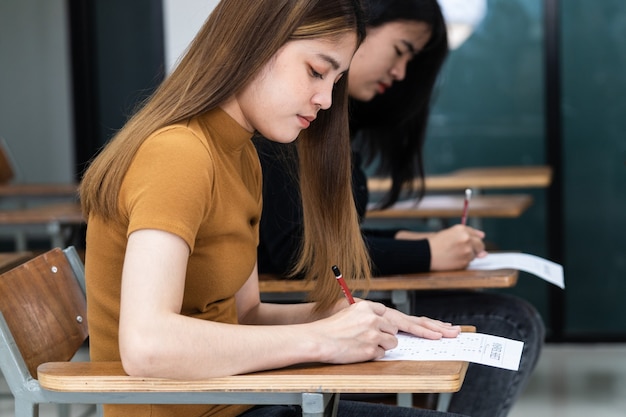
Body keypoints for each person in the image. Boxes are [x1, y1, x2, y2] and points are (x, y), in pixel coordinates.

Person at [78, 1, 470, 417]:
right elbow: (147, 346)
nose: (324, 99)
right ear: (255, 43)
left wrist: (341, 317)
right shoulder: (179, 154)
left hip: (242, 402)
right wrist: (322, 339)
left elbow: (245, 315)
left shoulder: (240, 156)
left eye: (336, 81)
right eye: (317, 71)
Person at [254, 0, 545, 416]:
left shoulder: (323, 127)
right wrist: (424, 252)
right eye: (401, 50)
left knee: (512, 322)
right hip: (296, 308)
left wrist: (404, 241)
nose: (401, 73)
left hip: (302, 308)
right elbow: (293, 249)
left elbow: (319, 236)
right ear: (359, 26)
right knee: (507, 323)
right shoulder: (277, 125)